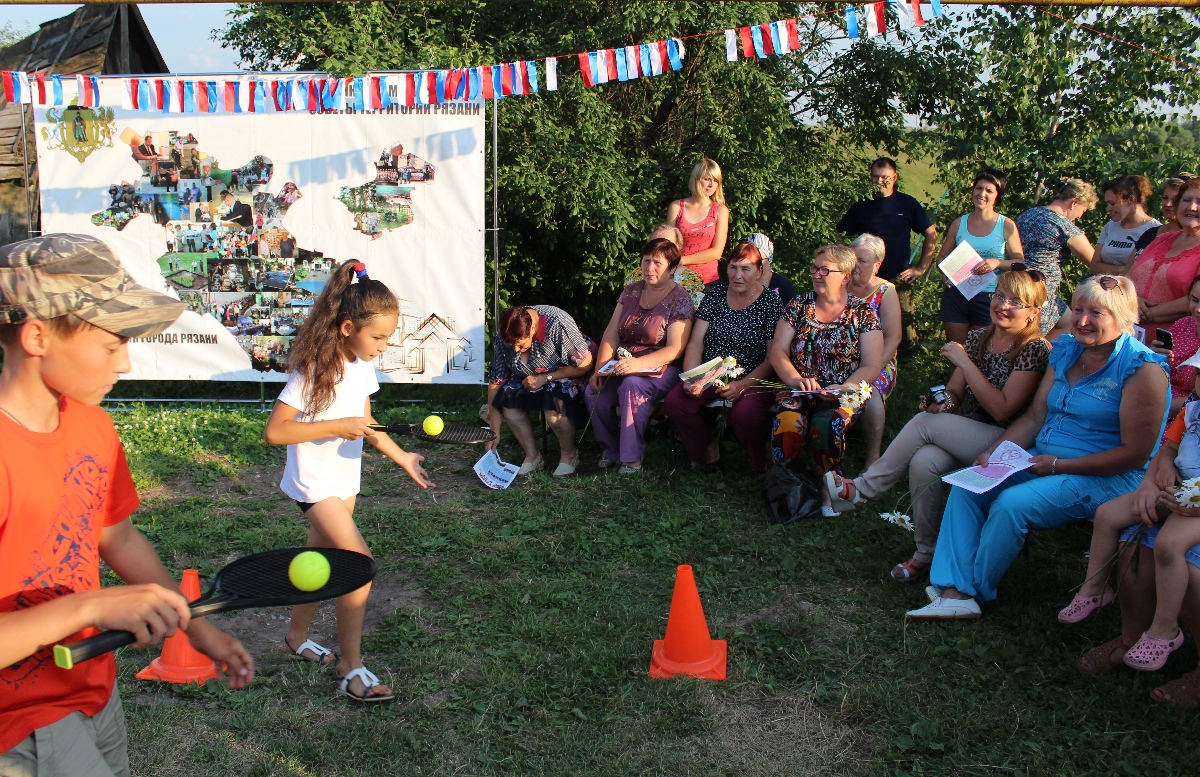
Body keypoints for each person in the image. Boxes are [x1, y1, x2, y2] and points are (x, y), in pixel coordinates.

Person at [0, 234, 253, 775]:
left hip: (90, 687)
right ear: (37, 335)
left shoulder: (93, 426)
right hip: (18, 724)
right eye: (112, 344)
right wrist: (92, 608)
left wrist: (198, 628)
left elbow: (116, 535)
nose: (126, 363)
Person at [906, 275, 1169, 620]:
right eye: (1078, 310)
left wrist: (1059, 465)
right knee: (969, 484)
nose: (1083, 321)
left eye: (1097, 313)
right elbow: (1034, 416)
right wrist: (996, 452)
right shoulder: (1067, 351)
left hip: (1108, 474)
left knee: (1013, 504)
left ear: (1122, 317)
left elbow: (1135, 454)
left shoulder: (1142, 368)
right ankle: (951, 585)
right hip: (1042, 459)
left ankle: (971, 591)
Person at [264, 259, 434, 702]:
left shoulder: (361, 365)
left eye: (387, 338)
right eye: (377, 337)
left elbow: (366, 423)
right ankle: (350, 666)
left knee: (318, 561)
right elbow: (276, 431)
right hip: (314, 483)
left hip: (344, 482)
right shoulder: (315, 370)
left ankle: (295, 637)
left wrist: (402, 457)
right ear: (345, 328)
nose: (383, 346)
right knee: (358, 563)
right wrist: (334, 426)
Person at [826, 269, 1049, 581]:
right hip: (972, 430)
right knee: (924, 460)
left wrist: (965, 365)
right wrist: (942, 403)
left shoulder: (1034, 348)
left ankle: (863, 490)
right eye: (999, 295)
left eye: (1016, 301)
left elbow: (1002, 409)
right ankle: (925, 553)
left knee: (923, 425)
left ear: (1033, 312)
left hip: (1007, 442)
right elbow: (956, 393)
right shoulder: (978, 337)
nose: (1003, 304)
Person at [1059, 396, 1200, 673]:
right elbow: (1169, 449)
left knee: (1168, 545)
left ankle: (1165, 629)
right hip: (1177, 489)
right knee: (1108, 515)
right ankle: (1095, 589)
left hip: (1194, 504)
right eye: (1198, 374)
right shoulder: (1192, 410)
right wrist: (1159, 474)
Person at [768, 245, 884, 515]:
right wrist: (796, 379)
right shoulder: (798, 305)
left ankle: (828, 488)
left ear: (845, 275)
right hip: (799, 389)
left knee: (826, 422)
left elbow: (871, 365)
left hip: (843, 391)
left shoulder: (863, 314)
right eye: (815, 268)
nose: (817, 274)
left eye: (825, 270)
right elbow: (777, 351)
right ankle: (790, 487)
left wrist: (844, 388)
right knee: (788, 423)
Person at [664, 241, 785, 474]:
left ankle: (758, 465)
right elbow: (696, 343)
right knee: (676, 402)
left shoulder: (771, 303)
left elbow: (773, 357)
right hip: (713, 370)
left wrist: (742, 384)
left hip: (753, 374)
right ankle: (710, 450)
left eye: (745, 269)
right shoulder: (716, 295)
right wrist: (692, 378)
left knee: (747, 414)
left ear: (759, 271)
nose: (737, 275)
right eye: (733, 267)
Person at [586, 238, 695, 474]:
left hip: (661, 366)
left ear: (673, 268)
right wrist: (600, 368)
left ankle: (631, 458)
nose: (649, 268)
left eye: (658, 262)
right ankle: (610, 450)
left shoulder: (681, 299)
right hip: (624, 361)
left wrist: (637, 364)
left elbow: (676, 348)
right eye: (646, 261)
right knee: (593, 393)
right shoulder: (631, 291)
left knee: (632, 385)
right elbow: (611, 334)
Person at [1077, 503, 1200, 709]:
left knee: (1189, 573)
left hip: (1189, 519)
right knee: (1137, 545)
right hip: (1182, 509)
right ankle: (1132, 637)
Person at [837, 157, 938, 347]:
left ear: (895, 177)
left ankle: (907, 368)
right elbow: (838, 233)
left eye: (885, 177)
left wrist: (921, 267)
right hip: (864, 278)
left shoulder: (907, 204)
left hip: (899, 276)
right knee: (860, 325)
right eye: (875, 177)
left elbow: (931, 234)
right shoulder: (861, 205)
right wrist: (849, 258)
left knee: (905, 331)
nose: (880, 181)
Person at [487, 305, 594, 477]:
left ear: (532, 329)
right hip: (528, 377)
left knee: (552, 403)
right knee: (507, 398)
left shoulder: (557, 322)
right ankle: (532, 456)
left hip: (565, 372)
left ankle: (569, 455)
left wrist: (547, 378)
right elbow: (496, 380)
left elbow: (585, 364)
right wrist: (494, 431)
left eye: (520, 346)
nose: (515, 350)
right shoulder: (504, 334)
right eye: (511, 346)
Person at [934, 168, 1026, 345]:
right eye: (978, 188)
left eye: (989, 190)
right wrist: (945, 272)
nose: (982, 194)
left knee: (980, 353)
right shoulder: (959, 223)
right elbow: (941, 257)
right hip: (957, 293)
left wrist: (997, 262)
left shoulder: (1006, 225)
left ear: (997, 196)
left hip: (990, 296)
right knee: (955, 351)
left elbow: (1019, 263)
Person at [1014, 178, 1098, 337]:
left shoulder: (1029, 214)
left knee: (1066, 320)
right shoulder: (1062, 224)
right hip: (1040, 289)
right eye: (1083, 210)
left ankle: (1046, 356)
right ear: (1074, 203)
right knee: (1029, 337)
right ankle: (1042, 360)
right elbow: (1094, 261)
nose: (1079, 216)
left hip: (1017, 282)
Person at [847, 233, 902, 466]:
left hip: (879, 359)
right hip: (841, 356)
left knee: (870, 394)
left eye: (862, 260)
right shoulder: (839, 284)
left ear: (877, 265)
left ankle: (873, 456)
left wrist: (872, 367)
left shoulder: (885, 291)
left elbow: (894, 336)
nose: (854, 265)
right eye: (852, 258)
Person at [1129, 178, 1200, 326]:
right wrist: (1131, 298)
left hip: (1173, 342)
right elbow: (1127, 275)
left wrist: (1133, 314)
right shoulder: (1162, 239)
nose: (1192, 207)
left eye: (1199, 201)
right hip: (1132, 335)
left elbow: (1193, 301)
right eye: (1186, 200)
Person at [665, 159, 730, 286]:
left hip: (707, 281)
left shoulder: (720, 211)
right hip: (677, 279)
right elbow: (668, 245)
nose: (711, 185)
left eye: (716, 180)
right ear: (696, 179)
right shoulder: (677, 207)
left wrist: (682, 260)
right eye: (707, 179)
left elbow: (717, 252)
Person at [1095, 175, 1160, 271]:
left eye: (1112, 203)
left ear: (1131, 199)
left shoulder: (1155, 230)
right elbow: (1094, 266)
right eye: (1107, 204)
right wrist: (1125, 269)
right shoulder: (1110, 227)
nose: (1108, 208)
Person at [1130, 174, 1194, 258]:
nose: (1168, 204)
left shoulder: (1192, 239)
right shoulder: (1150, 233)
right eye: (1165, 198)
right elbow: (1128, 269)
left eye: (1174, 199)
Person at [746, 232, 796, 302]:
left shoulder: (784, 287)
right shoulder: (740, 283)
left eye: (759, 259)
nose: (754, 263)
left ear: (769, 259)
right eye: (750, 258)